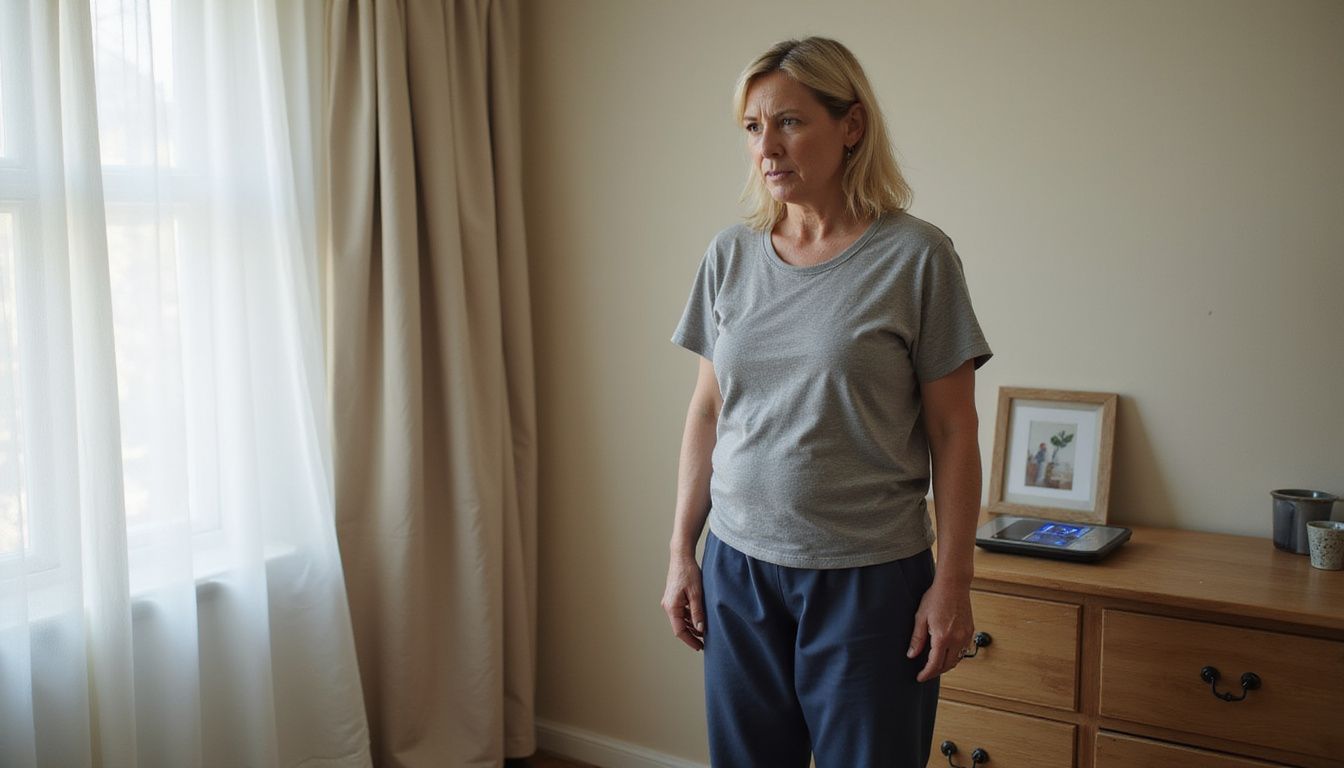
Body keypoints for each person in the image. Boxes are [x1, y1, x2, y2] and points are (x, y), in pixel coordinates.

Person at [660, 37, 993, 768]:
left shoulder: (917, 258)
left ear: (851, 125)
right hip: (739, 569)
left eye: (789, 122)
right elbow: (708, 413)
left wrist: (954, 582)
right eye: (753, 127)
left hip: (868, 580)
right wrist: (683, 551)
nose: (767, 147)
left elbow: (954, 430)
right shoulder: (731, 255)